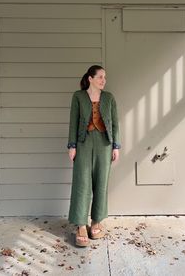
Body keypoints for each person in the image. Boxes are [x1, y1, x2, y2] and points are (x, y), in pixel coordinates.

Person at [67, 65, 121, 247]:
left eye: (104, 77)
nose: (103, 80)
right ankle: (81, 225)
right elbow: (73, 121)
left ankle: (96, 221)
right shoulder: (78, 96)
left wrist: (116, 146)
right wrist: (72, 145)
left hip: (104, 144)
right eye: (100, 77)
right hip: (83, 142)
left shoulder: (109, 98)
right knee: (82, 182)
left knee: (101, 182)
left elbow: (115, 124)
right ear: (90, 78)